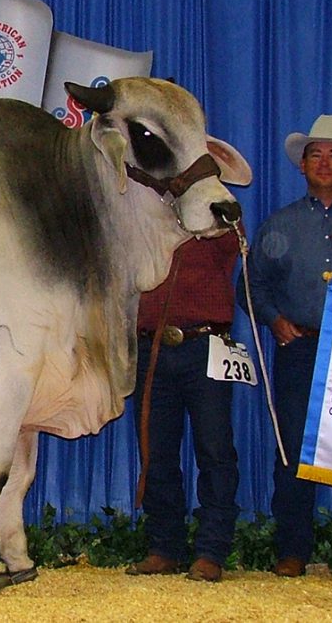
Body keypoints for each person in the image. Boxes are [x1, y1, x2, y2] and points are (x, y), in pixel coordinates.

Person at [244, 114, 332, 577]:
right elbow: (251, 284)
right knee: (294, 452)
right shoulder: (279, 224)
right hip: (300, 348)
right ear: (302, 165)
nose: (325, 162)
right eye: (316, 154)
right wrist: (275, 320)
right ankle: (292, 550)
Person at [124, 231, 243, 583]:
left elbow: (231, 247)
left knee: (215, 449)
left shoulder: (215, 207)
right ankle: (164, 547)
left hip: (205, 342)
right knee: (156, 450)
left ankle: (211, 551)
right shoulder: (142, 209)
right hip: (152, 344)